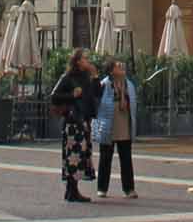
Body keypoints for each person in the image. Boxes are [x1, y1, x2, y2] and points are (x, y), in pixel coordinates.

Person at [50, 47, 101, 204]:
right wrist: (72, 95)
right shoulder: (68, 77)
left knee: (81, 156)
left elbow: (97, 93)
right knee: (73, 157)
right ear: (78, 61)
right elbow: (54, 96)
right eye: (85, 58)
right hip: (72, 121)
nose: (88, 61)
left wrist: (95, 76)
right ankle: (72, 191)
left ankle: (71, 191)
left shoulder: (86, 77)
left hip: (84, 121)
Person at [89, 57, 138, 200]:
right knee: (105, 157)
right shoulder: (105, 84)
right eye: (118, 66)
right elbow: (97, 101)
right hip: (108, 124)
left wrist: (125, 101)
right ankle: (102, 188)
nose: (121, 67)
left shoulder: (128, 85)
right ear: (111, 71)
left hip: (124, 123)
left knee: (126, 158)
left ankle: (129, 189)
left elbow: (134, 104)